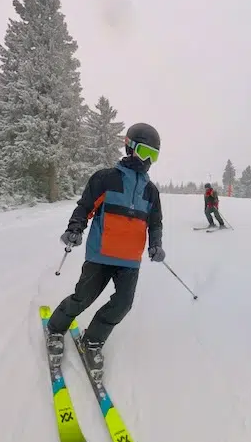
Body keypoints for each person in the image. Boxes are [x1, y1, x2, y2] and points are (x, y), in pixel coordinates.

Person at [46, 123, 164, 381]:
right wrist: (75, 228)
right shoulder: (105, 178)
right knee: (83, 298)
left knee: (122, 304)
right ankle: (55, 328)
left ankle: (92, 340)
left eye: (153, 155)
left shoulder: (151, 191)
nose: (147, 160)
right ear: (129, 146)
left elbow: (155, 222)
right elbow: (85, 207)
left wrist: (156, 244)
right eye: (144, 151)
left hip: (130, 260)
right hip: (100, 254)